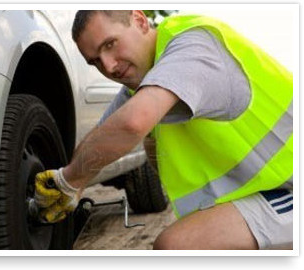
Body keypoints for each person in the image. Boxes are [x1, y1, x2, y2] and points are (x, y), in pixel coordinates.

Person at [34, 10, 293, 250]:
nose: (109, 66)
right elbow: (103, 133)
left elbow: (132, 122)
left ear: (139, 20)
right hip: (271, 189)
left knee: (178, 246)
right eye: (96, 62)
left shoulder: (192, 47)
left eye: (110, 44)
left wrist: (70, 179)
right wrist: (74, 187)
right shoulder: (142, 83)